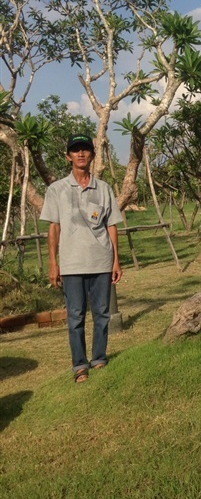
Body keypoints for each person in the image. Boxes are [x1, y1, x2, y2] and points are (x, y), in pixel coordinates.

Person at [40, 133, 123, 383]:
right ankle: (79, 365)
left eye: (85, 149)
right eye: (75, 150)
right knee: (75, 316)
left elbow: (112, 226)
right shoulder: (57, 190)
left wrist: (116, 260)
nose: (81, 154)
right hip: (71, 263)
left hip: (101, 261)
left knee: (101, 313)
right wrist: (54, 263)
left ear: (92, 155)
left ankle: (99, 358)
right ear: (68, 156)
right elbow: (54, 228)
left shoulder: (104, 189)